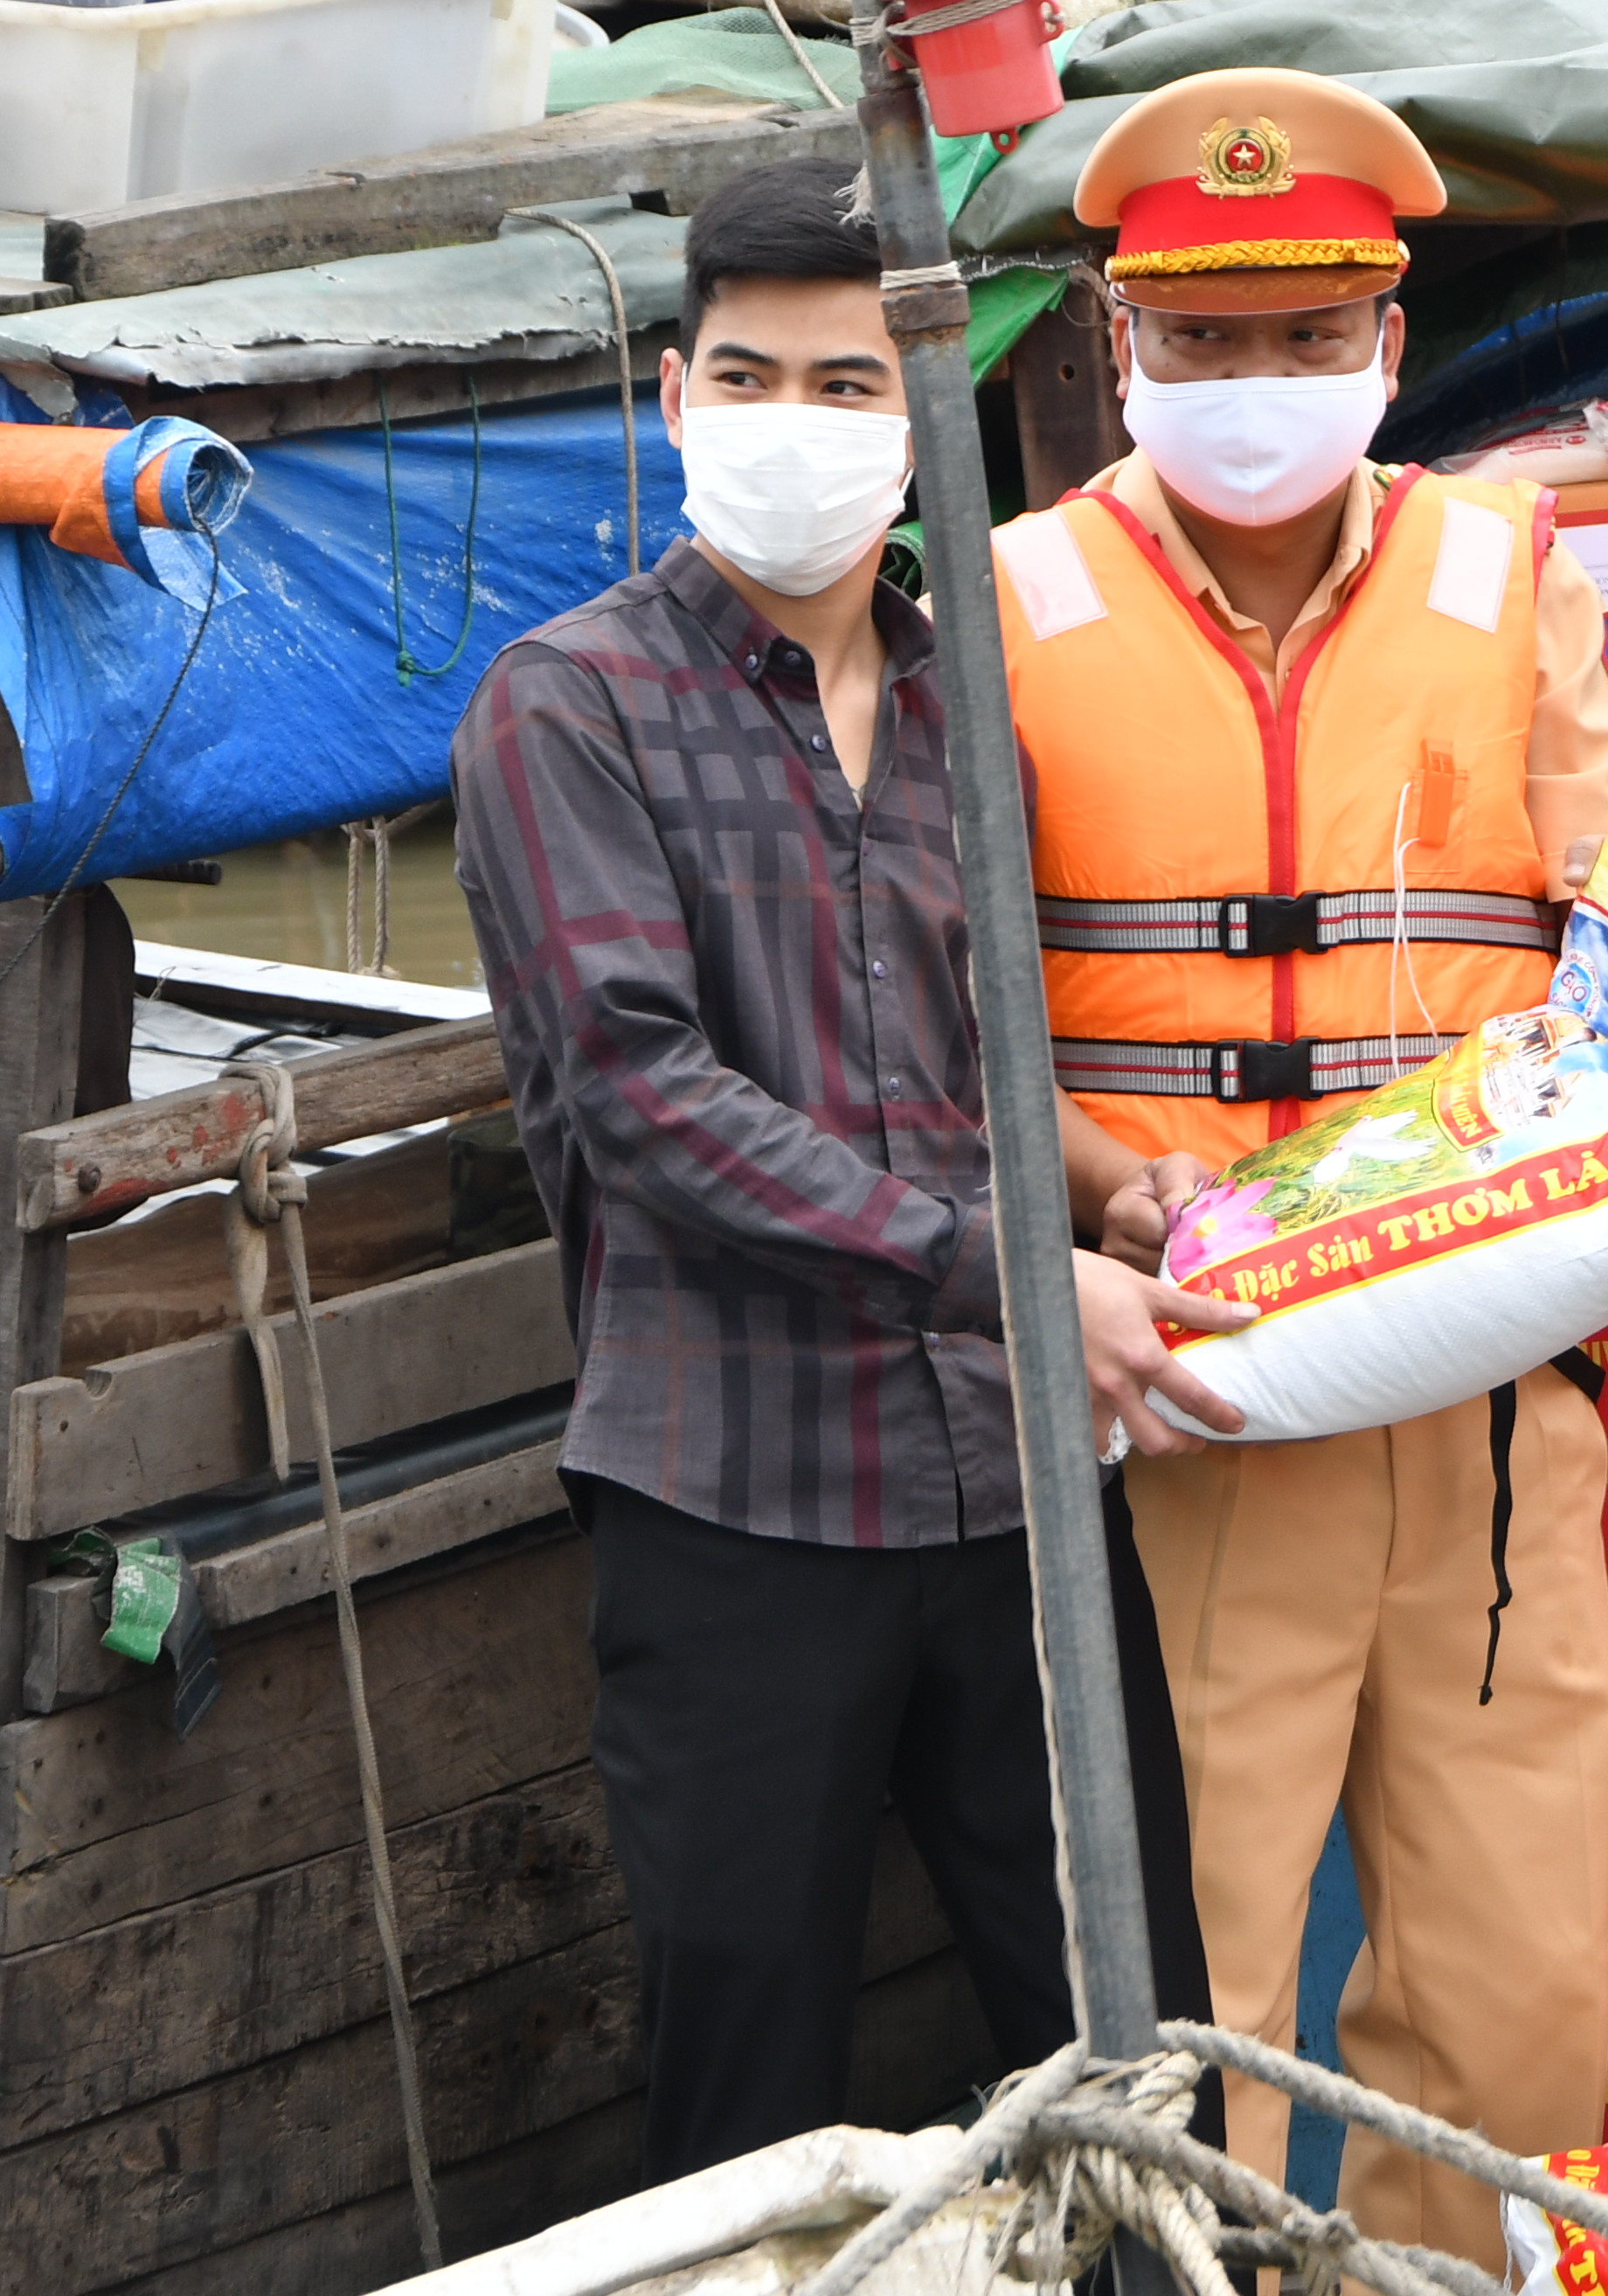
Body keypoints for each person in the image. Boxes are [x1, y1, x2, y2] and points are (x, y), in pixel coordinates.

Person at [451, 156, 1218, 2180]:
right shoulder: (569, 706)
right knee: (753, 2105)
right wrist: (1012, 1273)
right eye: (748, 375)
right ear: (674, 393)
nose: (792, 420)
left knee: (1143, 2061)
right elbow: (646, 1096)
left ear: (917, 414)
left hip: (1019, 1501)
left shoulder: (978, 713)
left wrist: (1113, 1189)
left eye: (847, 382)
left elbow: (976, 1063)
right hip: (738, 1504)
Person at [996, 70, 1608, 2271]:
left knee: (1517, 1998)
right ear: (1123, 344)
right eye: (1205, 338)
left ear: (1389, 344)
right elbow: (934, 1010)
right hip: (1184, 1397)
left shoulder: (1512, 568)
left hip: (1489, 1394)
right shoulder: (1002, 601)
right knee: (1189, 2007)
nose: (1256, 379)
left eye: (1306, 334)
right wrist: (1099, 1190)